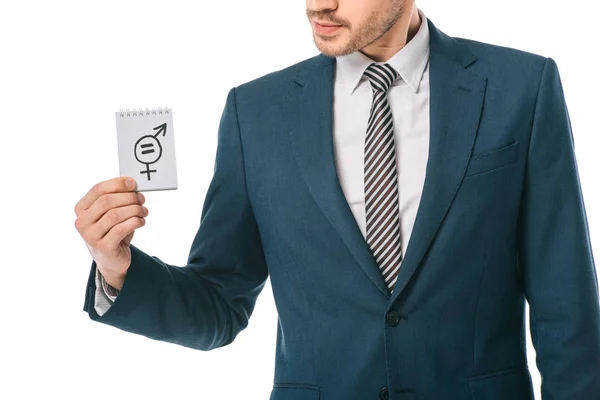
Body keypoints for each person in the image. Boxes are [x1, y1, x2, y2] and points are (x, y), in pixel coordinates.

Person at [74, 1, 600, 398]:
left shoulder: (521, 88)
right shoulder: (254, 112)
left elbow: (567, 311)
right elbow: (220, 303)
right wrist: (118, 269)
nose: (317, 4)